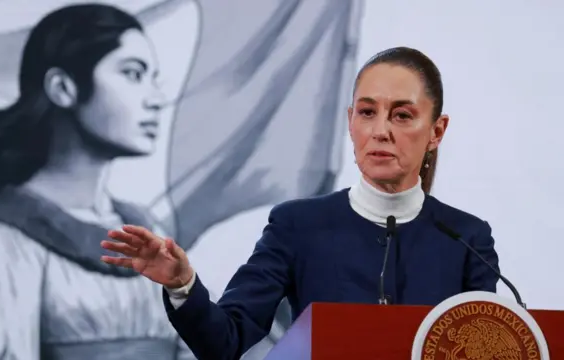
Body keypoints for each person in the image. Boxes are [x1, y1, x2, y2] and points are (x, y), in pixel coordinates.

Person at [101, 46, 501, 360]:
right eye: (367, 112)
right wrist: (181, 284)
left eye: (401, 115)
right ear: (350, 122)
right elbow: (225, 342)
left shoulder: (466, 238)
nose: (380, 131)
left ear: (437, 130)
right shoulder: (298, 225)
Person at [0, 4, 196, 359]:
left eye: (153, 77)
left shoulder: (149, 230)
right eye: (132, 74)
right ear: (63, 88)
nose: (156, 99)